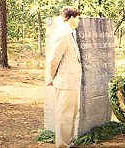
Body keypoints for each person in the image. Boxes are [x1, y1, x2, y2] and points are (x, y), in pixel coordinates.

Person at [45, 6, 81, 147]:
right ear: (71, 18)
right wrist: (50, 77)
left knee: (71, 114)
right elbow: (54, 59)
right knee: (64, 115)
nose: (79, 21)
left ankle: (69, 142)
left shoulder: (69, 33)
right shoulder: (62, 34)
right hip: (65, 83)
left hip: (72, 82)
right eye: (78, 18)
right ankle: (62, 145)